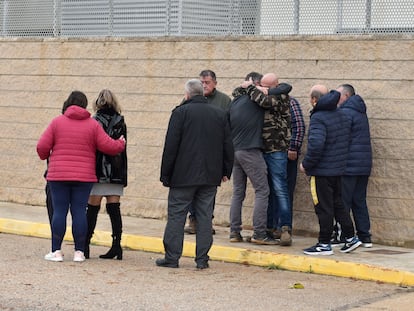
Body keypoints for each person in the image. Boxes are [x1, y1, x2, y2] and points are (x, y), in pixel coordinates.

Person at [36, 91, 125, 262]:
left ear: (68, 103)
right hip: (84, 177)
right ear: (85, 105)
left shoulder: (57, 122)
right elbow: (108, 146)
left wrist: (46, 154)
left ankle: (56, 251)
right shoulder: (92, 125)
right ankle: (79, 252)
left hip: (58, 176)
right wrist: (120, 143)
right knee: (79, 212)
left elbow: (42, 147)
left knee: (60, 212)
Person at [156, 79, 233, 269]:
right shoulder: (219, 114)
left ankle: (172, 258)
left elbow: (171, 146)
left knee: (177, 215)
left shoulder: (180, 113)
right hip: (210, 175)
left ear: (188, 94)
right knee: (205, 217)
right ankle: (202, 259)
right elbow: (227, 145)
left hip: (182, 176)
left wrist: (165, 174)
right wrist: (225, 170)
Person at [300, 85, 361, 255]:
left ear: (314, 99)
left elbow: (316, 145)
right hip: (338, 169)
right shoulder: (341, 114)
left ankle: (324, 243)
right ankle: (350, 237)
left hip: (322, 171)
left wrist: (306, 164)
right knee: (338, 205)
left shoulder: (319, 117)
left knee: (323, 207)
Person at [242, 73, 293, 246]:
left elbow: (264, 101)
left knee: (279, 188)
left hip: (277, 150)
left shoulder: (281, 96)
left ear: (275, 86)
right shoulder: (260, 94)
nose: (263, 89)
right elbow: (237, 93)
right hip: (261, 149)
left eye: (267, 87)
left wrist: (250, 87)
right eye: (261, 86)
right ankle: (268, 228)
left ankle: (285, 228)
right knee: (266, 190)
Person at [228, 72, 277, 245]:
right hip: (250, 150)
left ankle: (234, 232)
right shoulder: (256, 100)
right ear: (255, 84)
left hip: (235, 151)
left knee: (238, 192)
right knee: (263, 191)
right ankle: (259, 233)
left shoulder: (235, 102)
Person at [184, 69, 232, 235]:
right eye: (202, 82)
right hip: (193, 152)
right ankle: (193, 220)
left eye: (207, 82)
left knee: (209, 191)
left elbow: (228, 129)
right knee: (191, 188)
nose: (204, 85)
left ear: (215, 83)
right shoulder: (190, 99)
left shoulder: (224, 101)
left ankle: (206, 222)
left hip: (213, 153)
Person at [85, 89, 128, 260]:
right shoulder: (121, 121)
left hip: (98, 169)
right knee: (114, 209)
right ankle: (117, 246)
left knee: (92, 208)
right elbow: (123, 147)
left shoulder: (94, 121)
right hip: (117, 170)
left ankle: (85, 244)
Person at [332, 84, 373, 248]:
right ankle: (365, 236)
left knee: (343, 202)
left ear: (347, 96)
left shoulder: (345, 113)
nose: (336, 99)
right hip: (363, 165)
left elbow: (341, 139)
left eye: (339, 95)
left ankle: (343, 236)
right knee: (359, 201)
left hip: (349, 165)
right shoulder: (360, 112)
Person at [266, 88, 305, 241]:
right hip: (269, 154)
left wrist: (293, 147)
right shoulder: (263, 102)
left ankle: (283, 228)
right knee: (270, 192)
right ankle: (272, 227)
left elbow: (299, 126)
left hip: (283, 155)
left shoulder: (291, 103)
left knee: (283, 191)